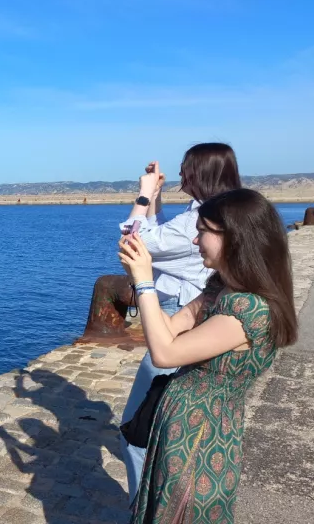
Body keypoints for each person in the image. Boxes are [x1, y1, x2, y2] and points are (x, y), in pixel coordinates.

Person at [118, 188, 299, 523]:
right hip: (181, 425)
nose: (194, 240)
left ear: (234, 237)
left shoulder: (249, 308)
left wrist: (144, 283)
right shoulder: (221, 287)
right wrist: (139, 277)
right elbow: (169, 328)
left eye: (202, 232)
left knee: (183, 511)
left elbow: (164, 353)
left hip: (200, 437)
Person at [117, 143, 242, 501]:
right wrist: (156, 199)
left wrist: (143, 195)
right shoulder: (213, 212)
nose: (181, 174)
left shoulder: (197, 219)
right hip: (188, 311)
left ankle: (144, 510)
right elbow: (159, 237)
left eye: (187, 168)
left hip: (181, 312)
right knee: (161, 425)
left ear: (201, 172)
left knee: (139, 429)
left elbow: (133, 241)